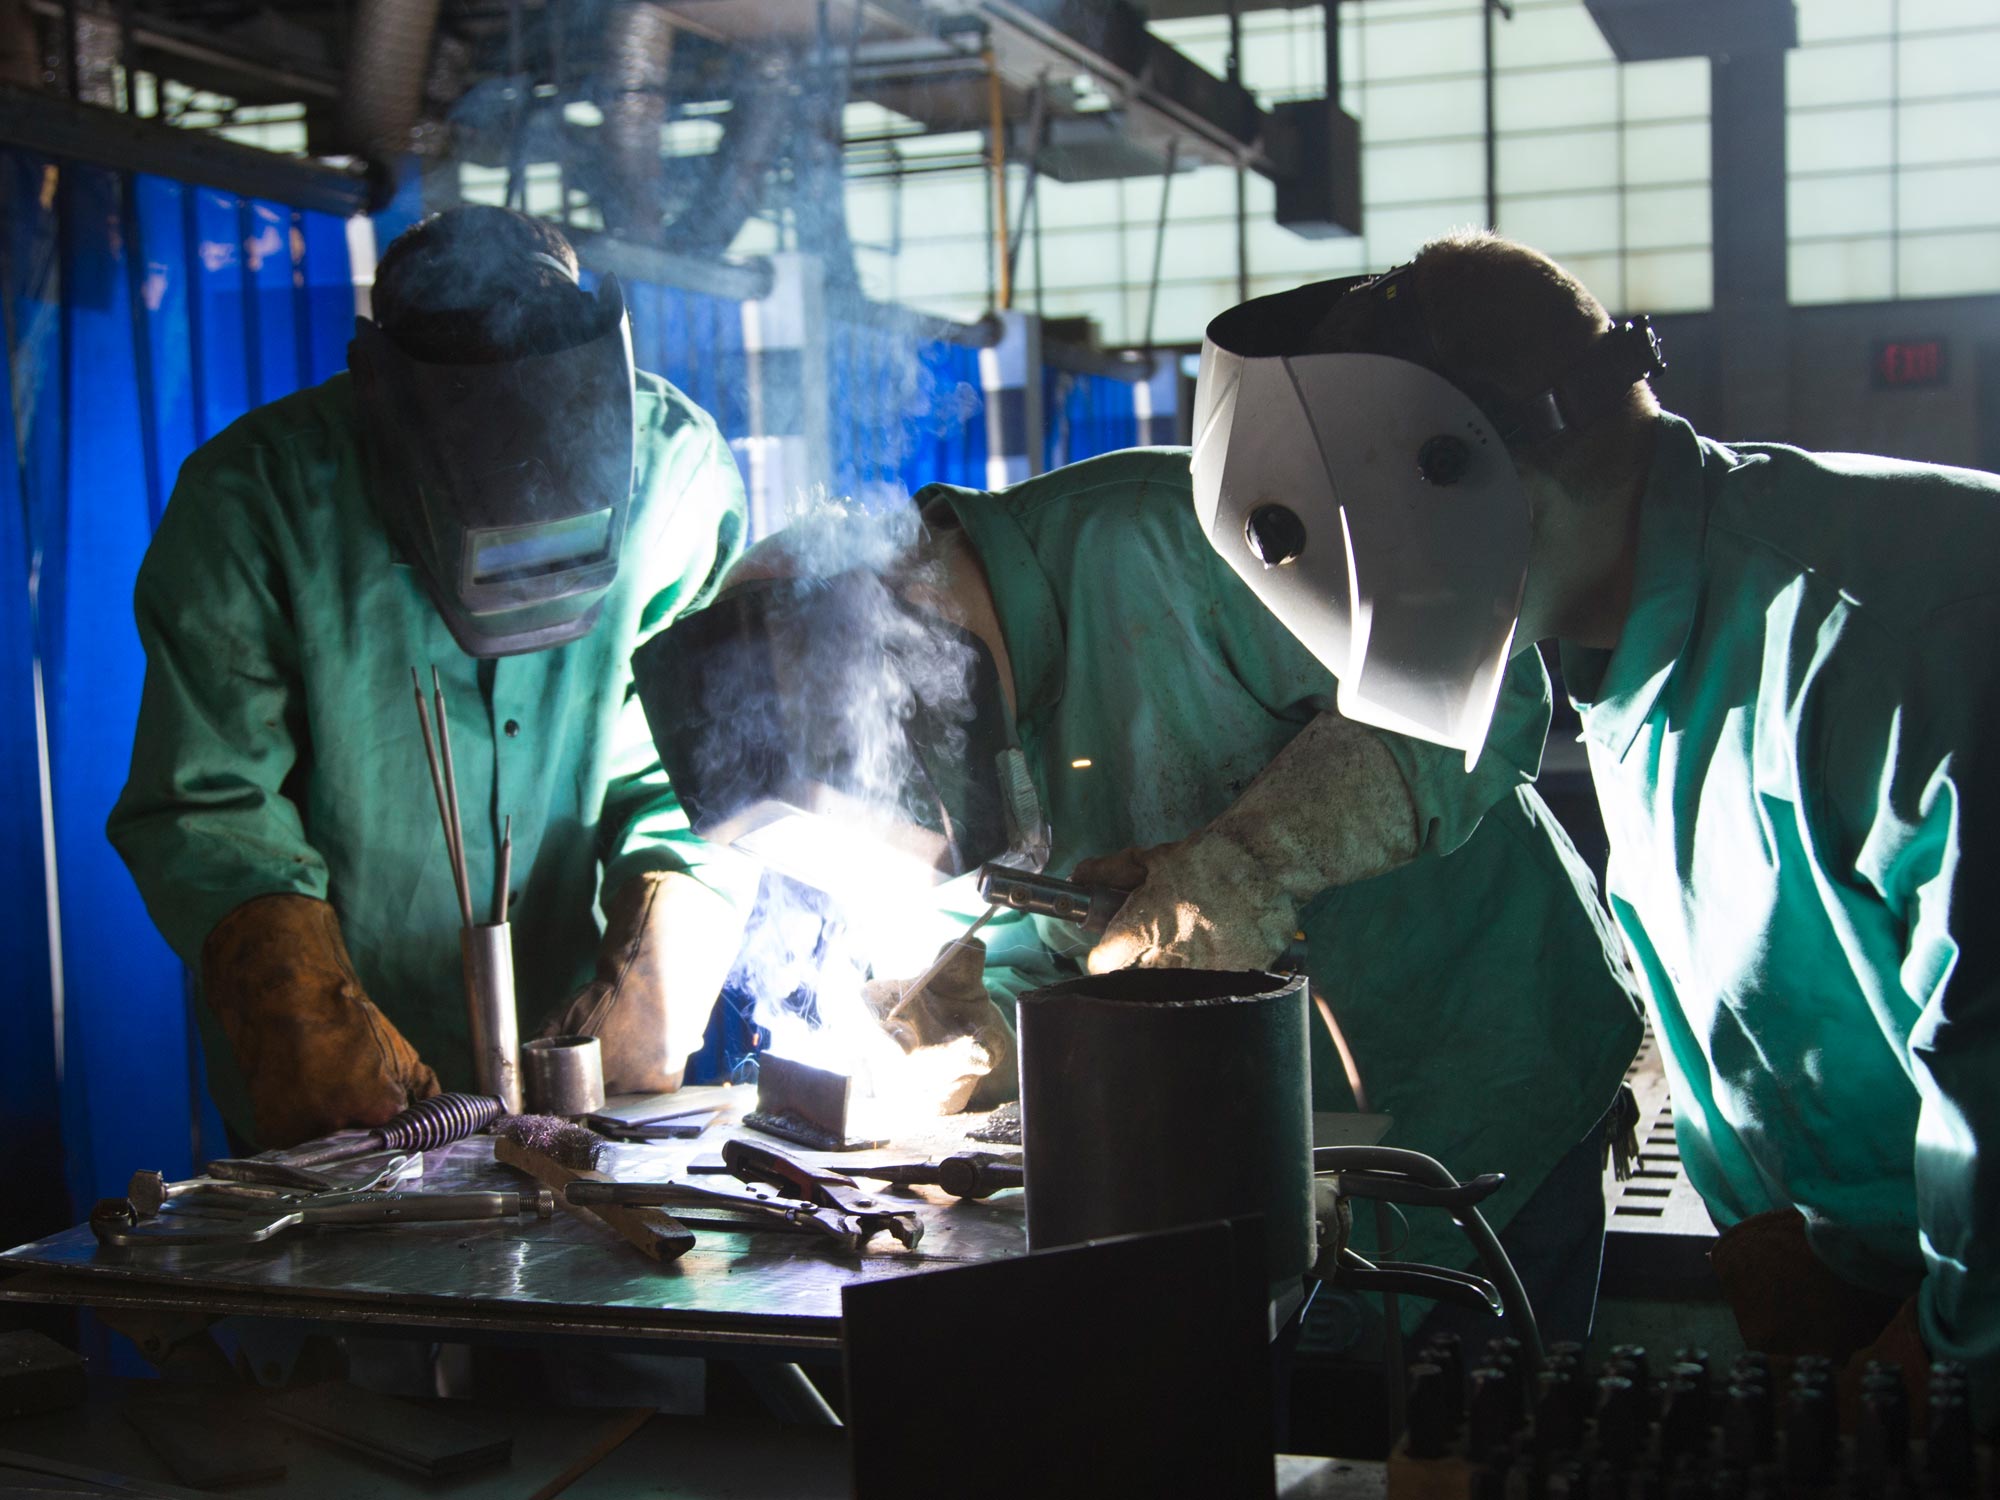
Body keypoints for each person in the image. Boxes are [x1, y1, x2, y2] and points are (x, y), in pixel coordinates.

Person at [1185, 229, 2000, 1412]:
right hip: (1883, 1285)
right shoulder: (1625, 645)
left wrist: (1941, 1372)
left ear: (1445, 468)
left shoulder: (1883, 641)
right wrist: (1785, 1253)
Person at [637, 449, 1644, 1349]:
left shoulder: (1177, 534)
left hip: (1484, 1102)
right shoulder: (927, 761)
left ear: (895, 651)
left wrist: (1248, 859)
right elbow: (1046, 950)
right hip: (1252, 1188)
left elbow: (1478, 687)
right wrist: (991, 1042)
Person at [108, 206, 754, 1150]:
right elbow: (211, 804)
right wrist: (300, 1002)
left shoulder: (675, 471)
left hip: (585, 1074)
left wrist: (662, 956)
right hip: (351, 1109)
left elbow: (696, 765)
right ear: (385, 392)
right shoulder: (257, 497)